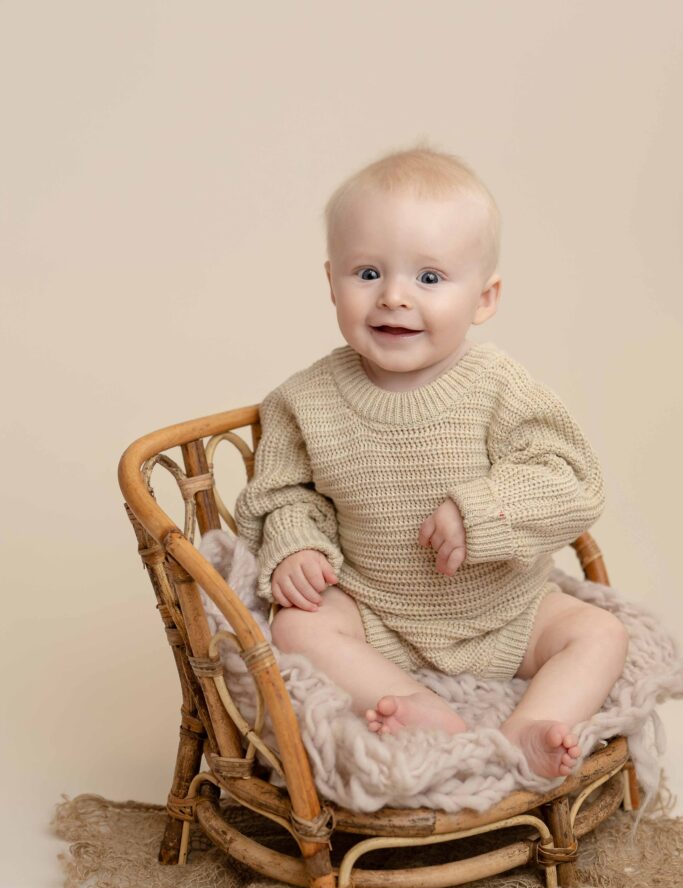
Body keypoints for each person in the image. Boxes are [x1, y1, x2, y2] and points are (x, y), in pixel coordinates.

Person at [234, 144, 629, 779]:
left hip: (509, 612)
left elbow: (573, 481)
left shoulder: (499, 386)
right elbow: (282, 492)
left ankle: (527, 729)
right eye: (367, 274)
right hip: (376, 613)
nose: (393, 298)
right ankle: (419, 706)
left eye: (429, 278)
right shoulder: (304, 399)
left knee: (602, 635)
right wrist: (296, 545)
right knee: (298, 630)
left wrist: (483, 510)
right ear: (329, 281)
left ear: (485, 297)